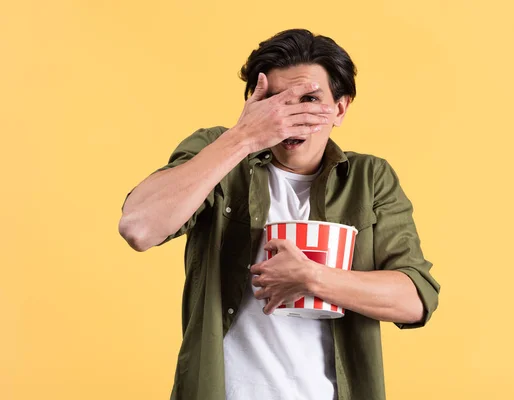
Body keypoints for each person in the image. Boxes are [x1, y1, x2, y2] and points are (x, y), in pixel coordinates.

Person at [119, 28, 440, 400]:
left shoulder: (370, 179)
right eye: (275, 101)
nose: (291, 116)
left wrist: (313, 278)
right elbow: (138, 227)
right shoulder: (218, 152)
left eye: (309, 99)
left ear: (340, 108)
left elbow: (414, 300)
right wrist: (243, 137)